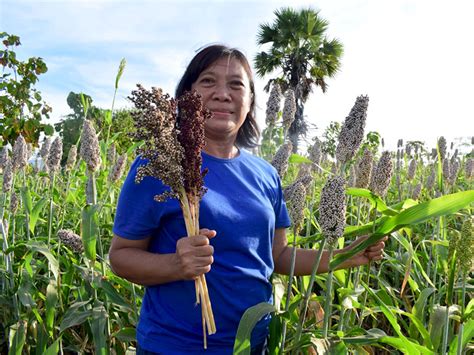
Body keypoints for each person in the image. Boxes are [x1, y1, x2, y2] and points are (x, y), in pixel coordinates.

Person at [109, 44, 387, 354]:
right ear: (187, 94)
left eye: (236, 84)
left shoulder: (265, 174)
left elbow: (279, 257)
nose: (222, 93)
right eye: (208, 81)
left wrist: (347, 255)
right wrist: (176, 264)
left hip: (252, 344)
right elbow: (121, 256)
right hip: (177, 346)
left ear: (251, 99)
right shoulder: (161, 165)